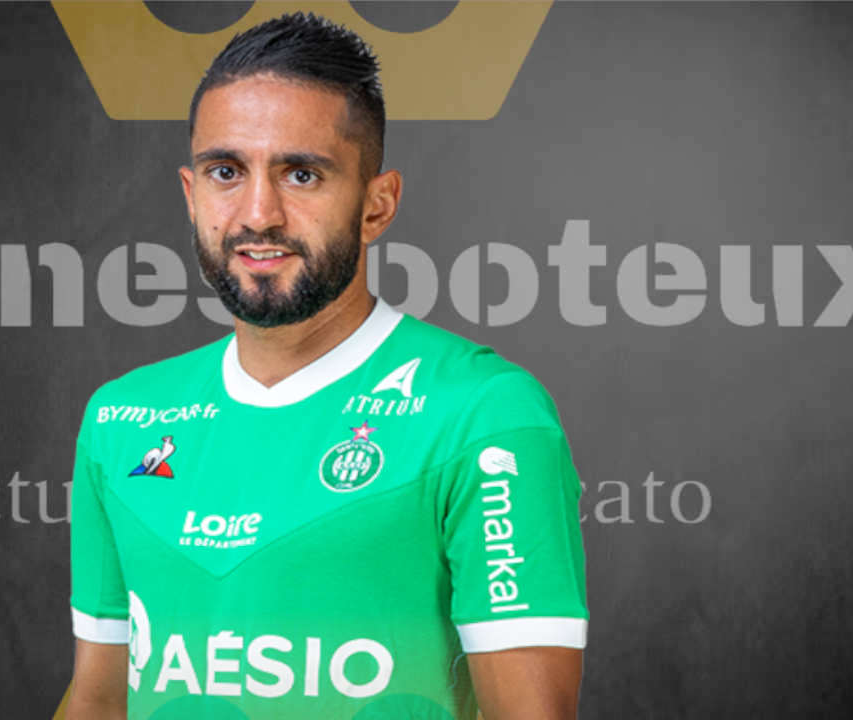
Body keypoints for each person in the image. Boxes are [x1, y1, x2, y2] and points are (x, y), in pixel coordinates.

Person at [65, 12, 587, 720]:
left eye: (302, 174)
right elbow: (97, 700)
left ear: (377, 205)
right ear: (192, 195)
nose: (259, 214)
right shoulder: (121, 419)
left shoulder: (485, 416)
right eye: (226, 172)